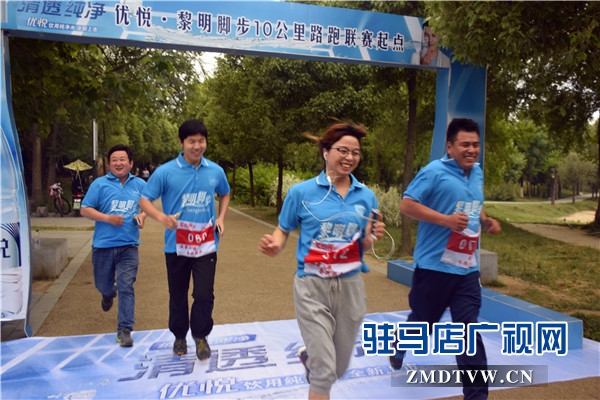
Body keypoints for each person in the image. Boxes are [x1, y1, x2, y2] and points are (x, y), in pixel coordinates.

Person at [258, 122, 385, 400]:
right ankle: (316, 366)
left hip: (350, 286)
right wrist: (275, 244)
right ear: (326, 152)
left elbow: (363, 244)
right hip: (312, 285)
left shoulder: (366, 196)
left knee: (338, 368)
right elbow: (283, 228)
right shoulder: (301, 193)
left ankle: (309, 358)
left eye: (355, 152)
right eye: (343, 150)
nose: (349, 157)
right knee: (325, 372)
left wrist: (371, 237)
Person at [392, 118, 501, 400]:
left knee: (468, 333)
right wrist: (446, 220)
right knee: (423, 323)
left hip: (466, 270)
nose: (471, 150)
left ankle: (476, 396)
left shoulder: (477, 172)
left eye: (475, 144)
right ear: (450, 146)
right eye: (465, 144)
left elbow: (474, 203)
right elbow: (406, 204)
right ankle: (400, 342)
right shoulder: (433, 172)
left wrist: (485, 220)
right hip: (434, 268)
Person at [139, 119, 230, 361]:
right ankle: (179, 335)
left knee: (204, 294)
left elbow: (225, 193)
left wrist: (221, 217)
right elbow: (144, 200)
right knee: (178, 294)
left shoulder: (215, 171)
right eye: (191, 141)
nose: (197, 146)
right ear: (181, 143)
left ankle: (200, 336)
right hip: (176, 246)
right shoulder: (165, 172)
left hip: (206, 244)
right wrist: (162, 217)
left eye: (201, 141)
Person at [80, 144, 147, 347]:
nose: (118, 163)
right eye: (114, 160)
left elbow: (149, 205)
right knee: (103, 285)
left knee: (126, 286)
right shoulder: (99, 185)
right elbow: (85, 209)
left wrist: (142, 215)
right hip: (103, 246)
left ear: (131, 163)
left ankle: (124, 330)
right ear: (109, 164)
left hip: (129, 245)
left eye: (122, 159)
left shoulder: (140, 185)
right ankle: (108, 293)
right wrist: (108, 218)